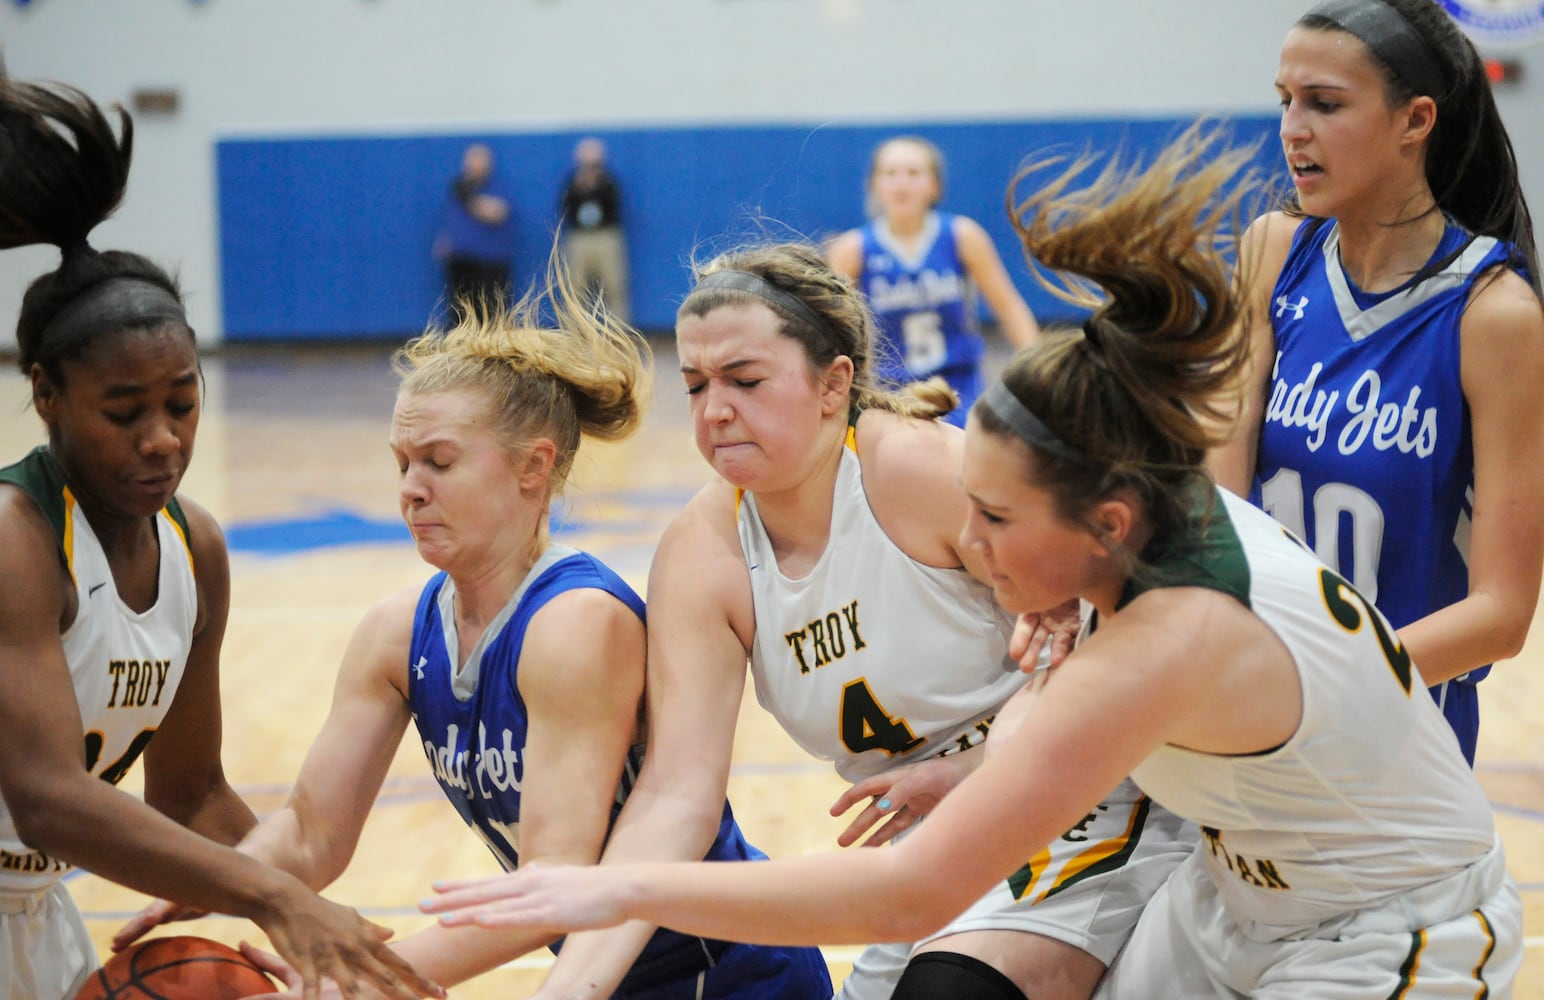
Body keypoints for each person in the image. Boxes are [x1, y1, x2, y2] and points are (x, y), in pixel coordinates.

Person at [422, 124, 1524, 999]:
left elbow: (916, 882)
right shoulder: (1131, 551)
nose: (975, 544)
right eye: (695, 381)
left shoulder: (1137, 616)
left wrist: (609, 887)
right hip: (1219, 893)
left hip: (1379, 913)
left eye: (992, 518)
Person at [113, 258, 833, 999]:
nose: (410, 489)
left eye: (439, 462)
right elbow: (310, 831)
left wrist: (351, 980)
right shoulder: (396, 633)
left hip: (731, 973)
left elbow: (550, 881)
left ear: (532, 468)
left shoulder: (576, 623)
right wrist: (235, 880)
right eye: (402, 463)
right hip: (607, 976)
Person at [512, 241, 1192, 1000]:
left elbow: (1135, 638)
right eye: (696, 385)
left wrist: (975, 770)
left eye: (745, 380)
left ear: (834, 384)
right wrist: (573, 985)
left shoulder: (915, 469)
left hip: (1076, 791)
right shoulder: (700, 556)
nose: (716, 409)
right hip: (931, 853)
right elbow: (676, 793)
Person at [0, 72, 440, 1000]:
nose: (162, 438)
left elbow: (190, 794)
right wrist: (275, 899)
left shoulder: (193, 547)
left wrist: (328, 937)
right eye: (124, 411)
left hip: (38, 917)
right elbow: (45, 800)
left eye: (182, 402)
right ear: (45, 393)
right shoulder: (16, 539)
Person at [1209, 0, 1544, 765]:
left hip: (1397, 738)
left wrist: (1320, 684)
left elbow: (1502, 613)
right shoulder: (1272, 250)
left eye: (1325, 104)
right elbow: (1217, 508)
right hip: (1255, 711)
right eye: (1285, 101)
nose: (1293, 127)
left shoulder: (1493, 313)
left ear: (1415, 120)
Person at [826, 134, 1040, 426]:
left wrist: (1040, 369)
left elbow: (1009, 306)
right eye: (890, 173)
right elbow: (832, 329)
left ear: (935, 186)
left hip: (958, 388)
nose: (901, 183)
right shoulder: (852, 249)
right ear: (875, 185)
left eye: (913, 173)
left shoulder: (963, 236)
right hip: (887, 393)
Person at [432, 143, 514, 325]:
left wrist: (470, 199)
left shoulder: (497, 185)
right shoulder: (459, 186)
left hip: (489, 260)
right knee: (460, 309)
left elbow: (497, 213)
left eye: (479, 161)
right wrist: (446, 240)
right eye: (471, 161)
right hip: (460, 258)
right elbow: (452, 218)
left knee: (491, 310)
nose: (474, 166)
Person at [560, 137, 631, 324]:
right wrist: (580, 189)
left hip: (605, 237)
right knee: (576, 288)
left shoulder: (609, 182)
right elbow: (564, 209)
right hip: (580, 238)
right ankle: (575, 333)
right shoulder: (571, 183)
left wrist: (596, 187)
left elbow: (614, 207)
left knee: (614, 285)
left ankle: (619, 331)